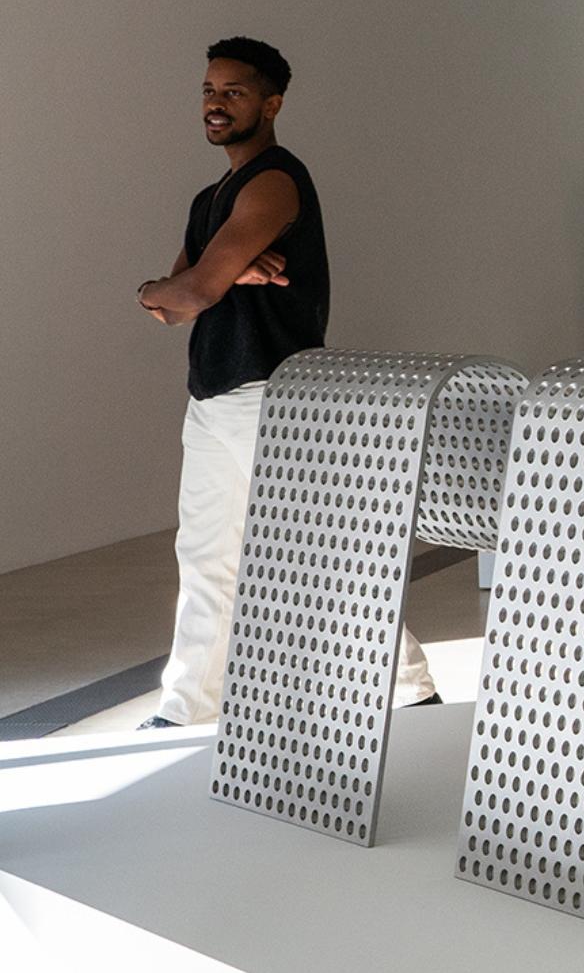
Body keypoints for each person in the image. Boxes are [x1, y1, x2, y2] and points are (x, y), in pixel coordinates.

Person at [133, 37, 437, 728]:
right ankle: (187, 708)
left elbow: (192, 294)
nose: (215, 104)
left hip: (275, 394)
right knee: (208, 554)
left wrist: (201, 283)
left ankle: (412, 691)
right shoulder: (210, 198)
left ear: (271, 104)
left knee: (329, 552)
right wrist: (181, 284)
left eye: (233, 92)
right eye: (209, 91)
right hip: (213, 396)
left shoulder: (273, 181)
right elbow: (171, 306)